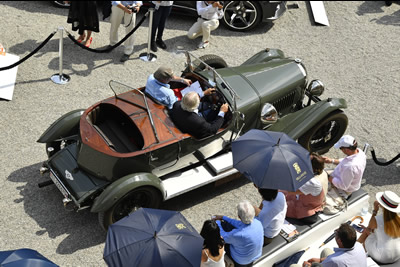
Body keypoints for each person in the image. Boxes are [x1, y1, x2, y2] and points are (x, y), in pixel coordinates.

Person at [291, 223, 367, 267]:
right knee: (326, 251)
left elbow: (333, 261)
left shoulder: (335, 261)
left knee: (293, 266)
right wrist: (320, 260)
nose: (335, 234)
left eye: (336, 233)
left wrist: (307, 266)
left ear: (339, 241)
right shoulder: (358, 245)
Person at [213, 200, 263, 267]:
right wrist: (223, 217)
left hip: (241, 262)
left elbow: (223, 236)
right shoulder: (258, 223)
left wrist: (218, 222)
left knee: (218, 241)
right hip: (255, 255)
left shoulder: (238, 234)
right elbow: (238, 224)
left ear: (239, 216)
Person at [284, 153, 328, 224]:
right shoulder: (322, 173)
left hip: (305, 208)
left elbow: (290, 191)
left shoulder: (312, 182)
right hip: (309, 200)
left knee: (276, 204)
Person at [357, 191, 400, 264]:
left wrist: (375, 211)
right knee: (371, 231)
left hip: (383, 257)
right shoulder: (398, 219)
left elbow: (369, 227)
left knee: (367, 233)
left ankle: (357, 249)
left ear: (382, 205)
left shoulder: (376, 219)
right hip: (397, 254)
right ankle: (356, 245)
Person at [322, 135, 366, 199]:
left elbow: (343, 185)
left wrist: (327, 177)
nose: (341, 150)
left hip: (342, 189)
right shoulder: (359, 152)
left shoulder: (350, 167)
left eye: (341, 148)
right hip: (339, 176)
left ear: (347, 150)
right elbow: (345, 161)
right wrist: (331, 161)